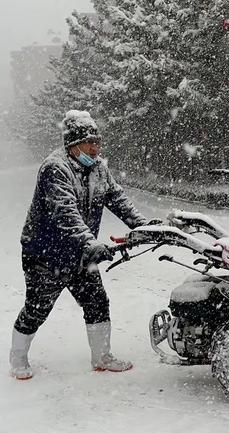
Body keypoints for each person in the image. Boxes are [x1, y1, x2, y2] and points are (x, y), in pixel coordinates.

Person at [9, 110, 156, 380]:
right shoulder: (55, 168)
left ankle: (102, 357)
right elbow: (65, 214)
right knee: (37, 308)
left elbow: (118, 199)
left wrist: (146, 227)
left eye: (98, 141)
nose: (96, 147)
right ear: (72, 144)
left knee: (97, 301)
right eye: (90, 142)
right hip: (45, 255)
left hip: (79, 254)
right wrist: (90, 243)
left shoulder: (98, 168)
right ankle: (18, 357)